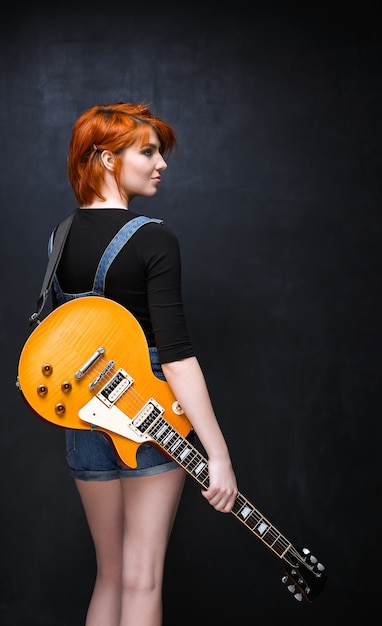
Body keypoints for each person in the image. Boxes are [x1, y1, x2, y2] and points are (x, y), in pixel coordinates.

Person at [47, 102, 238, 626]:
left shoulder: (60, 237)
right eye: (147, 152)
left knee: (108, 575)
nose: (162, 164)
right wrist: (215, 454)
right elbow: (176, 360)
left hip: (83, 416)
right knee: (142, 576)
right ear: (107, 159)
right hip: (147, 412)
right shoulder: (155, 239)